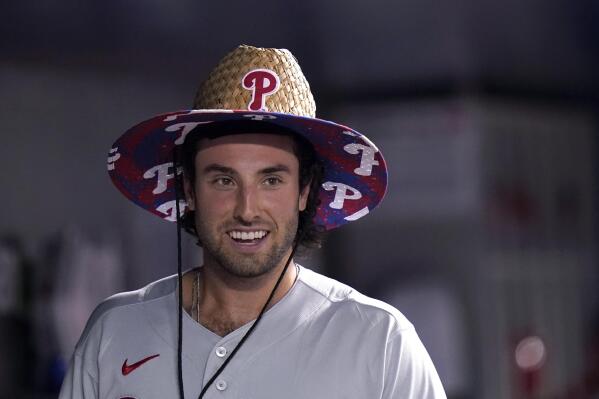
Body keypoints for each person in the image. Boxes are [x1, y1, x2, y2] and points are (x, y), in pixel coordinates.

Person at [59, 45, 447, 399]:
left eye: (271, 180)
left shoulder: (380, 342)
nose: (247, 209)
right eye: (224, 180)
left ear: (304, 192)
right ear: (189, 190)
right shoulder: (114, 330)